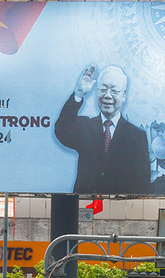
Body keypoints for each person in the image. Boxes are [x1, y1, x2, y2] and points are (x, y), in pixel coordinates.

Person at [54, 64, 151, 196]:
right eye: (103, 90)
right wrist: (79, 94)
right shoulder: (85, 127)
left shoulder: (136, 136)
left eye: (114, 91)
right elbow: (61, 130)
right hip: (86, 207)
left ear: (123, 95)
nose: (108, 96)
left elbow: (142, 183)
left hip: (118, 209)